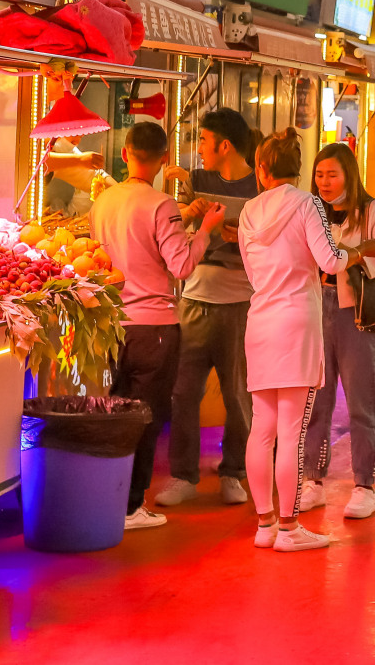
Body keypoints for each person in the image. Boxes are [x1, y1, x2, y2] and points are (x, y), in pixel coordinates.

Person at [232, 130, 375, 552]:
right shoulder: (308, 204)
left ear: (262, 169)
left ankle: (264, 525)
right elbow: (331, 261)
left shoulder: (249, 211)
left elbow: (250, 268)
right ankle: (288, 528)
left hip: (259, 320)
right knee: (292, 429)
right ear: (297, 170)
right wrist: (362, 249)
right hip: (297, 321)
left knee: (261, 430)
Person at [87, 122, 227, 530]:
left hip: (111, 324)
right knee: (145, 418)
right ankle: (131, 506)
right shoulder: (161, 204)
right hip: (155, 327)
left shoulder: (103, 203)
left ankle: (107, 496)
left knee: (114, 411)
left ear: (125, 153)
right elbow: (181, 264)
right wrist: (203, 231)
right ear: (164, 159)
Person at [157, 109, 258, 508]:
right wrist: (188, 215)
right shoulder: (196, 182)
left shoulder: (259, 187)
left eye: (202, 139)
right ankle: (183, 474)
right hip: (194, 299)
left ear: (224, 145)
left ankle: (233, 471)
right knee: (183, 393)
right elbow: (176, 235)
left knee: (238, 394)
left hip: (241, 303)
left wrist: (239, 236)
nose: (198, 148)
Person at [299, 144, 375, 521]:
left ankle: (364, 484)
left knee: (361, 403)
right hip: (314, 310)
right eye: (319, 175)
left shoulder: (374, 210)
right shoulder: (309, 209)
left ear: (350, 175)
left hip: (357, 313)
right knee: (316, 401)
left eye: (333, 175)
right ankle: (312, 480)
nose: (324, 182)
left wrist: (350, 254)